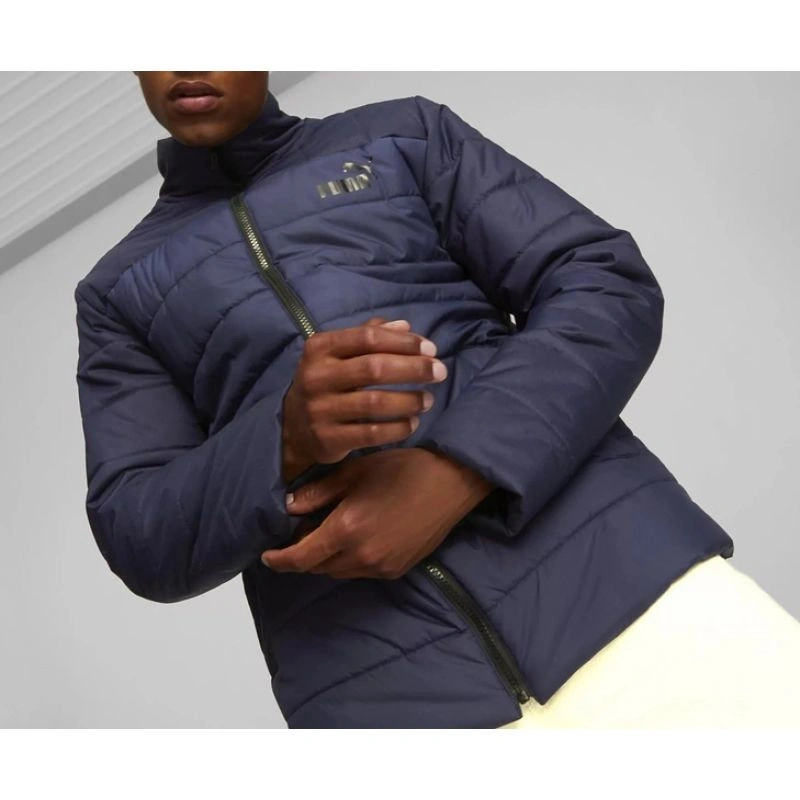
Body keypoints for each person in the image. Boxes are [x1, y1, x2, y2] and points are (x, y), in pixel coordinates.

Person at [73, 71, 800, 729]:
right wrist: (284, 436)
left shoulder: (405, 134)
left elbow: (603, 283)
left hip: (639, 601)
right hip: (387, 706)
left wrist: (460, 470)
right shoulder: (117, 292)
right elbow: (139, 533)